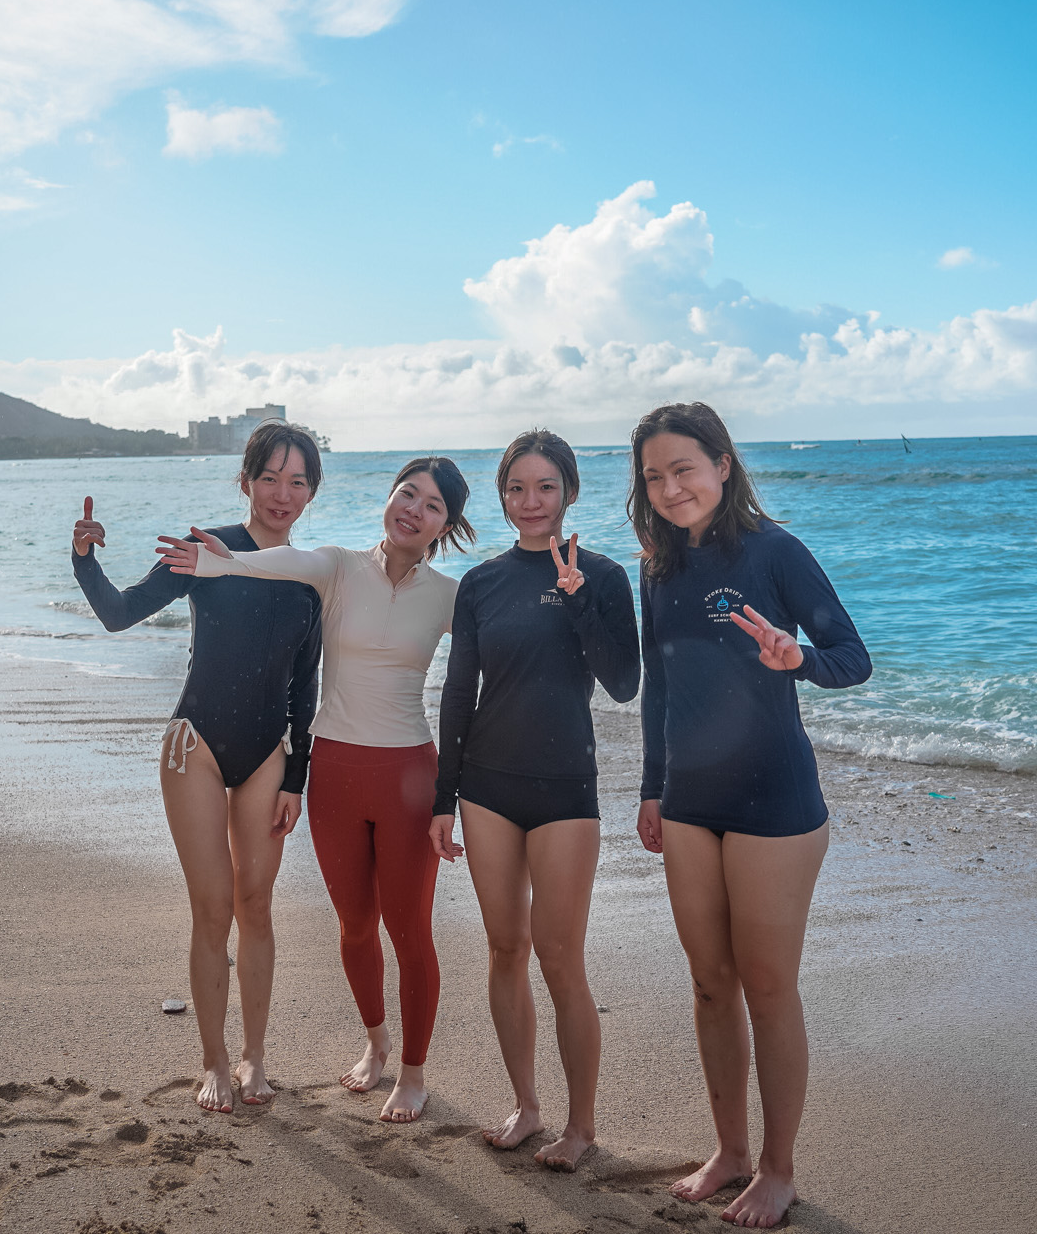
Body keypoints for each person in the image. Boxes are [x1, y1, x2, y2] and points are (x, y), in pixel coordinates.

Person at [156, 456, 473, 1124]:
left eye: (433, 505)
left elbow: (500, 661)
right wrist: (220, 564)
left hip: (409, 775)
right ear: (389, 497)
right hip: (332, 771)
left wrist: (567, 597)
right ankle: (377, 1044)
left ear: (447, 524)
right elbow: (276, 563)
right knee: (356, 924)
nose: (413, 508)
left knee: (409, 928)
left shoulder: (449, 596)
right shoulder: (336, 566)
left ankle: (413, 1072)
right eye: (406, 492)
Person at [630, 401, 871, 1229]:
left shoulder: (776, 551)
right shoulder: (656, 565)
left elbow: (853, 658)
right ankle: (729, 1149)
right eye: (654, 475)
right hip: (690, 802)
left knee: (768, 987)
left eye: (684, 468)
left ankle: (777, 1167)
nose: (669, 487)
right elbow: (659, 684)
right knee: (709, 983)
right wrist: (650, 786)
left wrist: (795, 656)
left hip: (775, 800)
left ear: (723, 465)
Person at [71, 420, 325, 1113]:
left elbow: (308, 686)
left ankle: (254, 1056)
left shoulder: (311, 577)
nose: (282, 491)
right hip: (198, 748)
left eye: (298, 480)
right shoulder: (204, 549)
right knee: (213, 907)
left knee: (258, 905)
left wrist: (297, 777)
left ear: (311, 493)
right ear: (244, 481)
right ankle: (213, 1057)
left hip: (269, 754)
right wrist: (84, 559)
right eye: (269, 476)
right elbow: (121, 614)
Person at [430, 430, 638, 1171]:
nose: (530, 501)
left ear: (569, 492)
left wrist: (580, 600)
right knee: (505, 947)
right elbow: (460, 690)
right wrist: (442, 796)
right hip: (487, 784)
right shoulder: (481, 583)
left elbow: (623, 682)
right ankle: (526, 1104)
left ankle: (581, 1126)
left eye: (545, 486)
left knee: (559, 955)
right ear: (503, 495)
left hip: (565, 791)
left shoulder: (605, 575)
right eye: (516, 487)